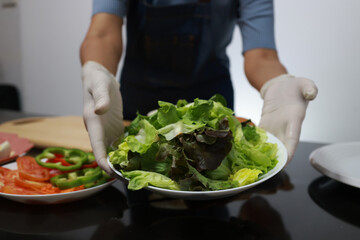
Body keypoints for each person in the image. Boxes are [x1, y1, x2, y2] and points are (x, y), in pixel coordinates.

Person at [80, 0, 318, 174]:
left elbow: (263, 55)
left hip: (214, 108)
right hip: (140, 107)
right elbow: (102, 33)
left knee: (214, 199)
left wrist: (278, 83)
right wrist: (97, 69)